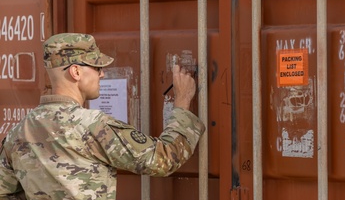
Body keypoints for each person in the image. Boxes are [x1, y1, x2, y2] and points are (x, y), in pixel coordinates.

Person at [0, 33, 205, 199]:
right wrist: (182, 102)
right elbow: (163, 158)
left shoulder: (18, 133)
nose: (102, 74)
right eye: (97, 67)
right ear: (76, 72)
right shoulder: (94, 126)